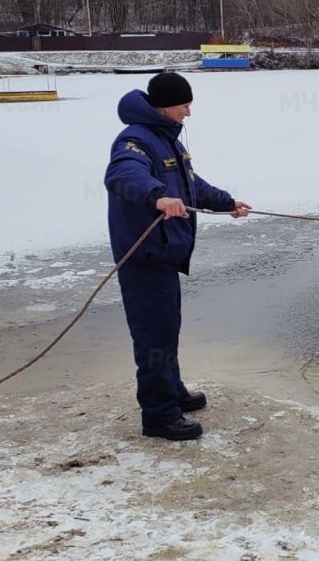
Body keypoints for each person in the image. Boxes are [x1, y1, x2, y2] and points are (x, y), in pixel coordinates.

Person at [105, 72, 251, 440]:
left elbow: (190, 184)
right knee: (153, 334)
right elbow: (122, 175)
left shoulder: (167, 139)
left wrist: (226, 203)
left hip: (165, 254)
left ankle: (171, 391)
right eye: (184, 104)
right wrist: (156, 195)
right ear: (164, 105)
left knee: (167, 328)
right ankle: (158, 415)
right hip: (144, 256)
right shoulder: (135, 140)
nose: (188, 112)